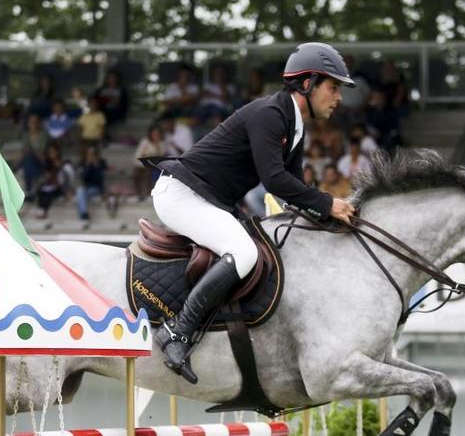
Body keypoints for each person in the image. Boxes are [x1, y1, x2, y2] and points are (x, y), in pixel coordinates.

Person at [145, 42, 356, 384]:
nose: (339, 97)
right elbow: (275, 181)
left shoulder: (294, 124)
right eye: (333, 87)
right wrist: (328, 203)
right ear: (307, 84)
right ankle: (177, 332)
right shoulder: (271, 114)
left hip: (207, 198)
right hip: (181, 195)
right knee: (243, 252)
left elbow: (294, 185)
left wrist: (328, 215)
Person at [75, 147, 108, 221]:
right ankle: (84, 213)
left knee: (81, 193)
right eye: (89, 154)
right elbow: (83, 177)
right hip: (87, 188)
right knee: (80, 191)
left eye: (92, 154)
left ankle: (83, 213)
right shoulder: (85, 164)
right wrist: (87, 166)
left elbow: (100, 179)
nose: (91, 156)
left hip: (97, 188)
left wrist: (96, 166)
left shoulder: (101, 163)